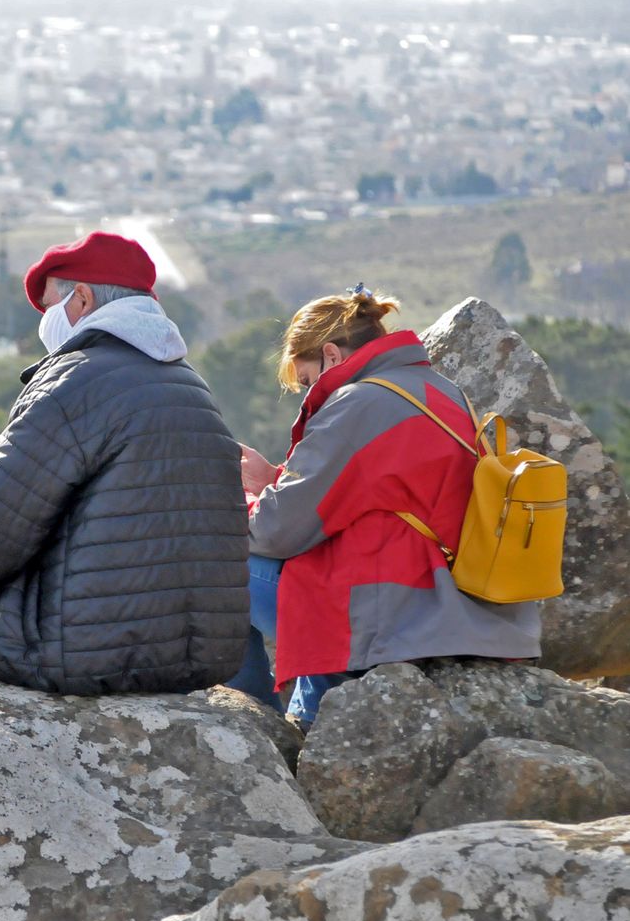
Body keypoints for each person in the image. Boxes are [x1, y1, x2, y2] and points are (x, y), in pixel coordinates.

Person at [0, 231, 249, 696]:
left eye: (49, 308)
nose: (45, 323)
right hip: (199, 652)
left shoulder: (72, 380)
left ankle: (13, 734)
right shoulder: (189, 384)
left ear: (81, 299)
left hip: (90, 651)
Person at [227, 285, 542, 729]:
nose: (307, 395)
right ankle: (308, 714)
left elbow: (277, 531)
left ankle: (253, 726)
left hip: (398, 611)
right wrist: (272, 481)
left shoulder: (359, 402)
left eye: (306, 381)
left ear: (332, 356)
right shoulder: (438, 390)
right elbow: (369, 496)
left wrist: (244, 500)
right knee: (322, 571)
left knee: (218, 565)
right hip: (450, 602)